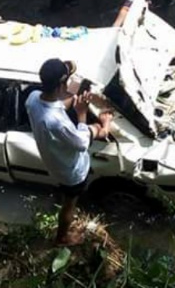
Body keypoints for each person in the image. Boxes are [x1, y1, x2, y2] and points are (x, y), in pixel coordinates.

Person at [25, 59, 114, 246]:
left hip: (54, 159)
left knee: (91, 128)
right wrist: (82, 113)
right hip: (70, 170)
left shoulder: (33, 98)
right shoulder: (56, 122)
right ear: (61, 84)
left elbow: (55, 105)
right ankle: (62, 237)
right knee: (69, 203)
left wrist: (73, 100)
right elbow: (81, 143)